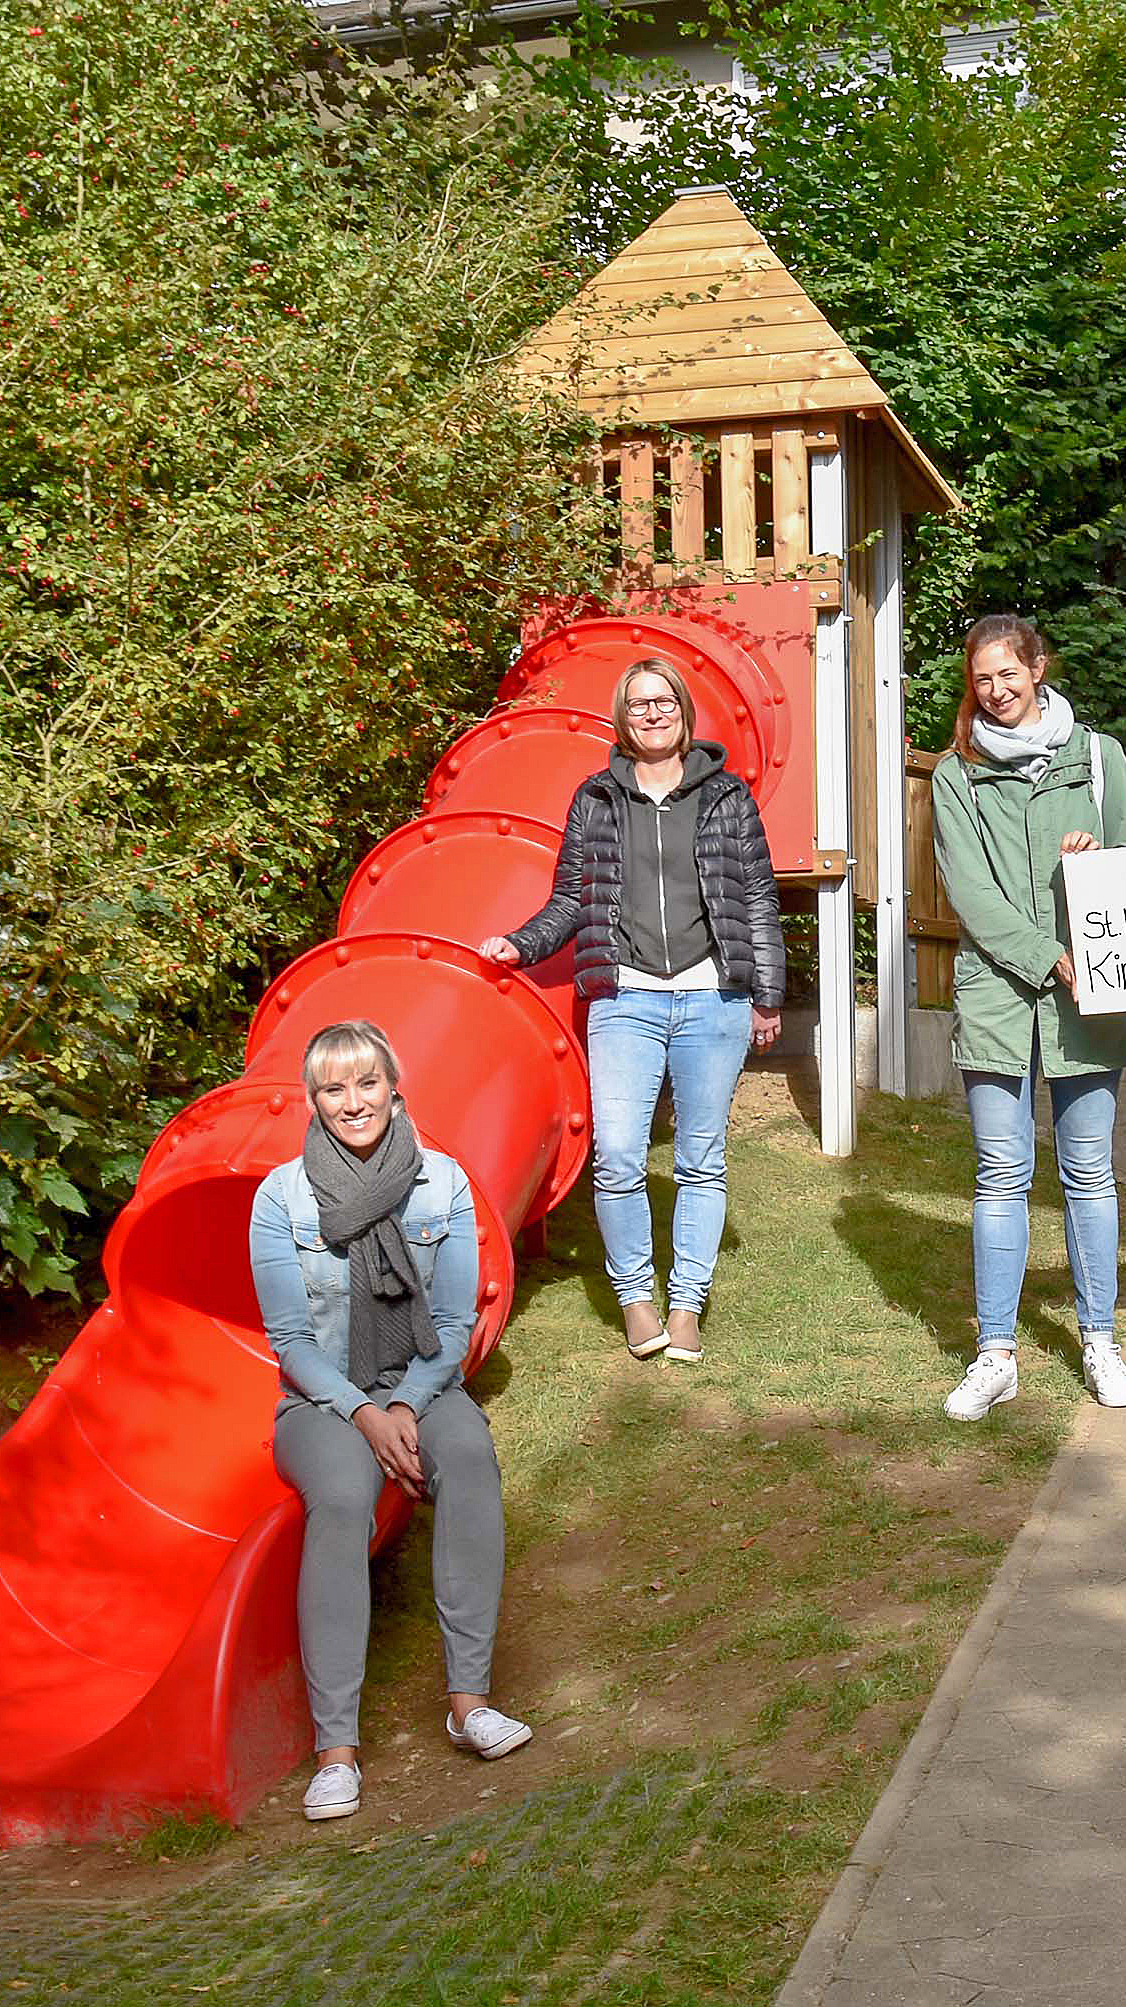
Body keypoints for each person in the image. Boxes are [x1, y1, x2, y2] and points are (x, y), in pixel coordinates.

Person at [249, 1020, 529, 1823]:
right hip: (323, 1398)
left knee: (470, 1452)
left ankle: (469, 1701)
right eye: (333, 1088)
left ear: (394, 1087)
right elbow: (292, 1343)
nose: (352, 1101)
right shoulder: (281, 1196)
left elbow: (451, 1318)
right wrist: (366, 1413)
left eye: (366, 1082)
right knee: (340, 1496)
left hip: (421, 1383)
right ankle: (336, 1750)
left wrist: (406, 1402)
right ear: (313, 1099)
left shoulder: (441, 1181)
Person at [476, 658, 785, 1364]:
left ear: (682, 710)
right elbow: (570, 900)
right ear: (624, 717)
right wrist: (520, 946)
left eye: (663, 700)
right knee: (616, 1156)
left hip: (715, 999)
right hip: (626, 1001)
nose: (651, 713)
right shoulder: (596, 799)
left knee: (701, 1160)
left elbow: (758, 899)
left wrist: (767, 993)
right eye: (638, 703)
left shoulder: (727, 796)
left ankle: (687, 1307)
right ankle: (637, 1297)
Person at [930, 614, 1126, 1419]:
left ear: (1038, 667)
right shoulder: (957, 774)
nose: (996, 690)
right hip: (997, 998)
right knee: (999, 1176)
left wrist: (1101, 861)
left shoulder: (1098, 759)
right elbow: (972, 894)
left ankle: (1100, 1340)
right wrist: (1047, 954)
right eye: (982, 679)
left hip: (1089, 999)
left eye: (1008, 673)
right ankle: (996, 1354)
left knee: (1089, 1173)